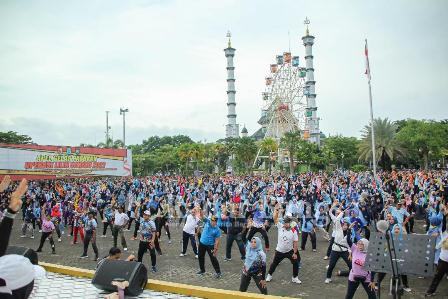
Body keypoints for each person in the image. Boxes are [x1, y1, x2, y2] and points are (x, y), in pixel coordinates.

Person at [265, 204, 301, 284]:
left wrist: (295, 253)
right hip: (279, 250)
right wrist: (276, 210)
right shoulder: (280, 227)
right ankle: (269, 275)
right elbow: (275, 218)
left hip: (289, 251)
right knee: (274, 264)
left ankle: (295, 277)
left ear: (290, 224)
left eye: (286, 223)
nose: (284, 224)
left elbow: (295, 243)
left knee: (296, 262)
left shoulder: (293, 231)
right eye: (284, 222)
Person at [325, 202, 352, 284]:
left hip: (344, 251)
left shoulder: (349, 233)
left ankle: (350, 276)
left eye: (346, 225)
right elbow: (334, 216)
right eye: (343, 225)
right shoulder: (337, 228)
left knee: (351, 265)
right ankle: (328, 278)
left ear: (348, 226)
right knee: (331, 265)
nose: (344, 226)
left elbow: (350, 244)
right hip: (335, 250)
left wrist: (350, 252)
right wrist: (342, 212)